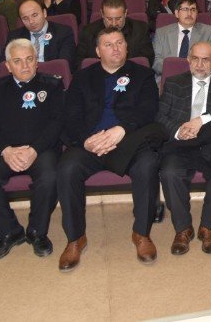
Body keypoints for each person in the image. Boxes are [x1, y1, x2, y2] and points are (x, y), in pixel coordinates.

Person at [57, 27, 165, 271]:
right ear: (97, 51)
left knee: (148, 165)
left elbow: (148, 110)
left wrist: (121, 130)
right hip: (91, 143)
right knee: (67, 168)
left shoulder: (143, 75)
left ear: (127, 47)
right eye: (108, 44)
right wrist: (85, 140)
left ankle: (142, 233)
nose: (115, 48)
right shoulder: (82, 77)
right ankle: (75, 238)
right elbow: (71, 115)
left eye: (119, 43)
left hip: (129, 142)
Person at [0, 39, 64, 261]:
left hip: (41, 150)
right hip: (6, 151)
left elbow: (57, 122)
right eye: (17, 61)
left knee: (50, 177)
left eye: (29, 59)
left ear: (37, 61)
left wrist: (34, 149)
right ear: (7, 65)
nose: (25, 66)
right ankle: (9, 231)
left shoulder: (52, 85)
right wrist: (6, 150)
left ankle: (37, 232)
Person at [156, 41, 211, 256]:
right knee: (169, 172)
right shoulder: (174, 83)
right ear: (188, 60)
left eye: (206, 60)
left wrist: (202, 121)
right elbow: (160, 116)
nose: (200, 64)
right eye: (195, 59)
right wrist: (178, 130)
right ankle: (183, 229)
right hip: (181, 143)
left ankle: (207, 227)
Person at [151, 0, 211, 78]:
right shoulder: (162, 33)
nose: (189, 13)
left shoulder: (208, 31)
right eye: (185, 9)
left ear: (197, 13)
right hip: (168, 77)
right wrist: (175, 71)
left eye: (193, 10)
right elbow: (156, 61)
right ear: (176, 13)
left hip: (199, 77)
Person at [77, 0, 154, 64]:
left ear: (125, 13)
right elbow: (80, 63)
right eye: (109, 19)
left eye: (118, 18)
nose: (114, 24)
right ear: (102, 14)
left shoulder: (140, 29)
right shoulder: (88, 32)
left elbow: (146, 61)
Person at [8, 0, 78, 65]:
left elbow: (64, 65)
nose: (31, 21)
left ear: (44, 13)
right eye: (25, 18)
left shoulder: (63, 32)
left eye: (34, 15)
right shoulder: (14, 37)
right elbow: (2, 67)